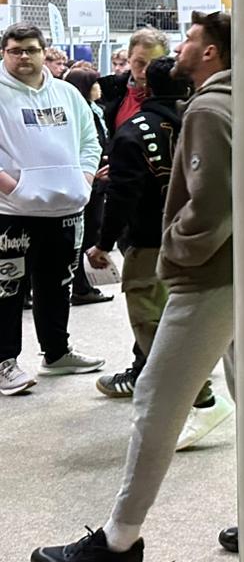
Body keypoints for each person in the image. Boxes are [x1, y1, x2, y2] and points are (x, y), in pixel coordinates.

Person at [33, 11, 233, 562]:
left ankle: (119, 542)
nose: (179, 48)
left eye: (190, 39)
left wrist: (176, 252)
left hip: (209, 276)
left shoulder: (210, 108)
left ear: (212, 52)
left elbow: (212, 204)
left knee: (156, 396)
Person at [0, 24, 105, 396]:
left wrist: (85, 180)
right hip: (11, 214)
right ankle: (4, 362)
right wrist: (15, 188)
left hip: (65, 209)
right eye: (15, 50)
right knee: (7, 289)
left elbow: (90, 141)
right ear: (3, 53)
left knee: (58, 285)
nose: (23, 57)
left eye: (31, 49)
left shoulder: (67, 93)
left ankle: (57, 353)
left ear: (44, 52)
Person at [85, 56, 187, 396]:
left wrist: (103, 243)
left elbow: (122, 197)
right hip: (200, 237)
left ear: (147, 88)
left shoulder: (133, 132)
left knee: (149, 317)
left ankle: (193, 392)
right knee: (187, 313)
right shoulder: (206, 119)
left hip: (149, 240)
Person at [63, 68, 113, 306]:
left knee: (92, 229)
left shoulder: (96, 109)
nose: (99, 88)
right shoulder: (78, 111)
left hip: (98, 178)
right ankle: (80, 285)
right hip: (87, 181)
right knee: (85, 234)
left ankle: (82, 284)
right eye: (94, 84)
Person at [99, 27, 168, 139]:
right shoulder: (108, 91)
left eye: (153, 64)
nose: (145, 71)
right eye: (140, 63)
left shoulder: (177, 98)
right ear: (129, 59)